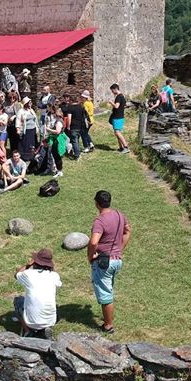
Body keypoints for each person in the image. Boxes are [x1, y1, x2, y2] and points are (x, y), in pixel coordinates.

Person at [87, 190, 131, 333]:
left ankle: (108, 325)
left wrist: (91, 255)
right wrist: (120, 249)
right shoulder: (119, 215)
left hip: (104, 262)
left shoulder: (100, 221)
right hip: (116, 261)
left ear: (96, 204)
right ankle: (108, 318)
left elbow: (94, 242)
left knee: (105, 294)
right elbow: (127, 231)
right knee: (108, 289)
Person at [13, 248, 62, 339]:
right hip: (50, 321)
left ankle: (28, 330)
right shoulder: (55, 276)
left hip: (31, 322)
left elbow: (17, 274)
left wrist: (27, 265)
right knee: (55, 305)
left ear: (35, 262)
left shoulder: (28, 275)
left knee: (18, 300)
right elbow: (58, 284)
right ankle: (46, 329)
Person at [62, 93, 87, 160]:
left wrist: (68, 126)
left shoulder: (70, 108)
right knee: (77, 140)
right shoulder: (81, 107)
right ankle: (77, 152)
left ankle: (77, 155)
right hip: (80, 126)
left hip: (73, 126)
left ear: (71, 100)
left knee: (74, 141)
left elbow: (69, 118)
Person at [45, 105, 67, 178]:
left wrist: (48, 129)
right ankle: (58, 170)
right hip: (58, 139)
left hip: (57, 140)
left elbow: (57, 131)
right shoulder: (60, 120)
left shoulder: (58, 122)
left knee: (57, 156)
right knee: (57, 156)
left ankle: (59, 171)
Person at [109, 83, 129, 154]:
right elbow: (124, 105)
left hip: (117, 117)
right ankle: (121, 147)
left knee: (117, 132)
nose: (112, 92)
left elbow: (116, 106)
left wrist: (111, 102)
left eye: (112, 91)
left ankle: (126, 147)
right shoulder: (122, 96)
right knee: (117, 132)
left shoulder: (118, 97)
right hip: (120, 116)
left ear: (115, 89)